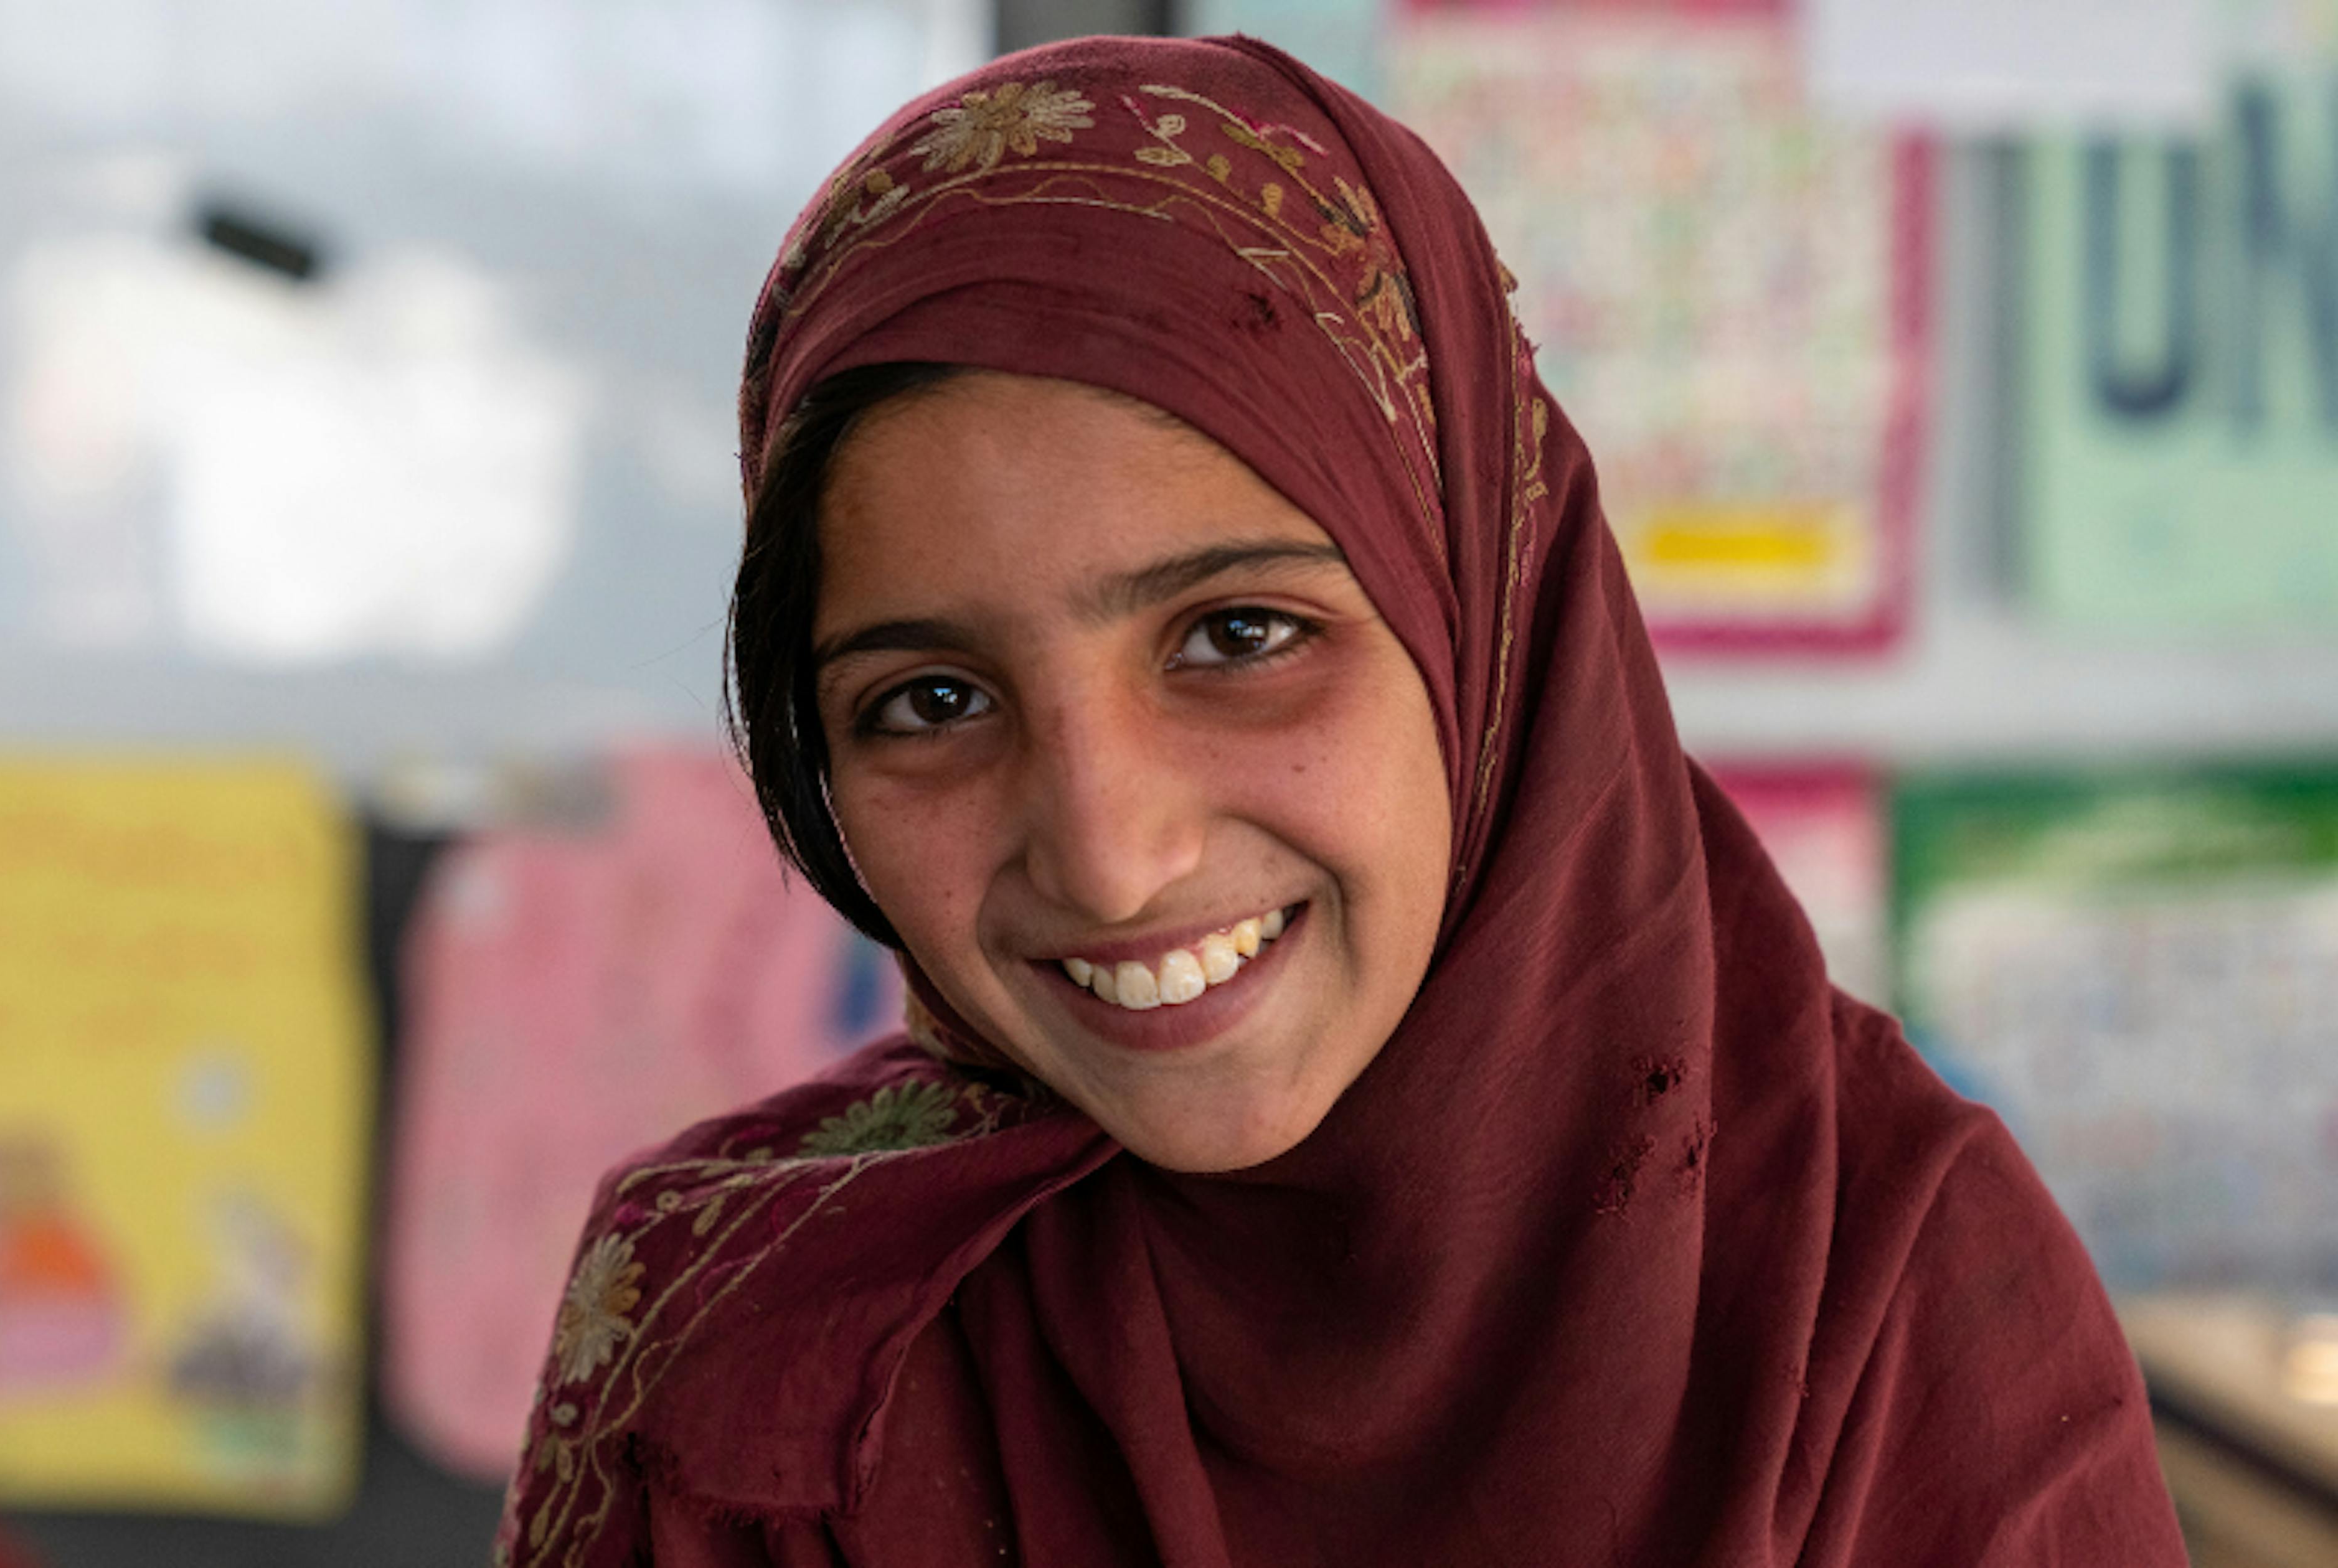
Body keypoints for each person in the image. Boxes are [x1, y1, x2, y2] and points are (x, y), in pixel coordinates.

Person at [497, 34, 2189, 1567]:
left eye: (1240, 636)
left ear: (1490, 625)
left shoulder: (1886, 1303)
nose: (1110, 852)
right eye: (930, 703)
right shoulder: (752, 1374)